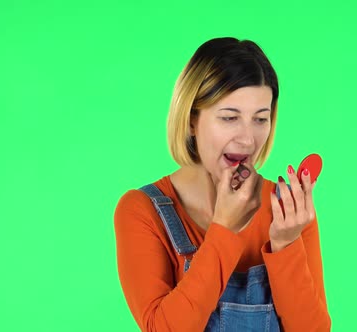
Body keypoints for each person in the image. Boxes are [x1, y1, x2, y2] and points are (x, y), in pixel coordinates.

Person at [114, 37, 330, 331]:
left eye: (260, 119)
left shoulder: (288, 212)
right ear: (192, 120)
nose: (248, 139)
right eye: (230, 117)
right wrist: (225, 230)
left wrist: (286, 243)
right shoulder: (141, 210)